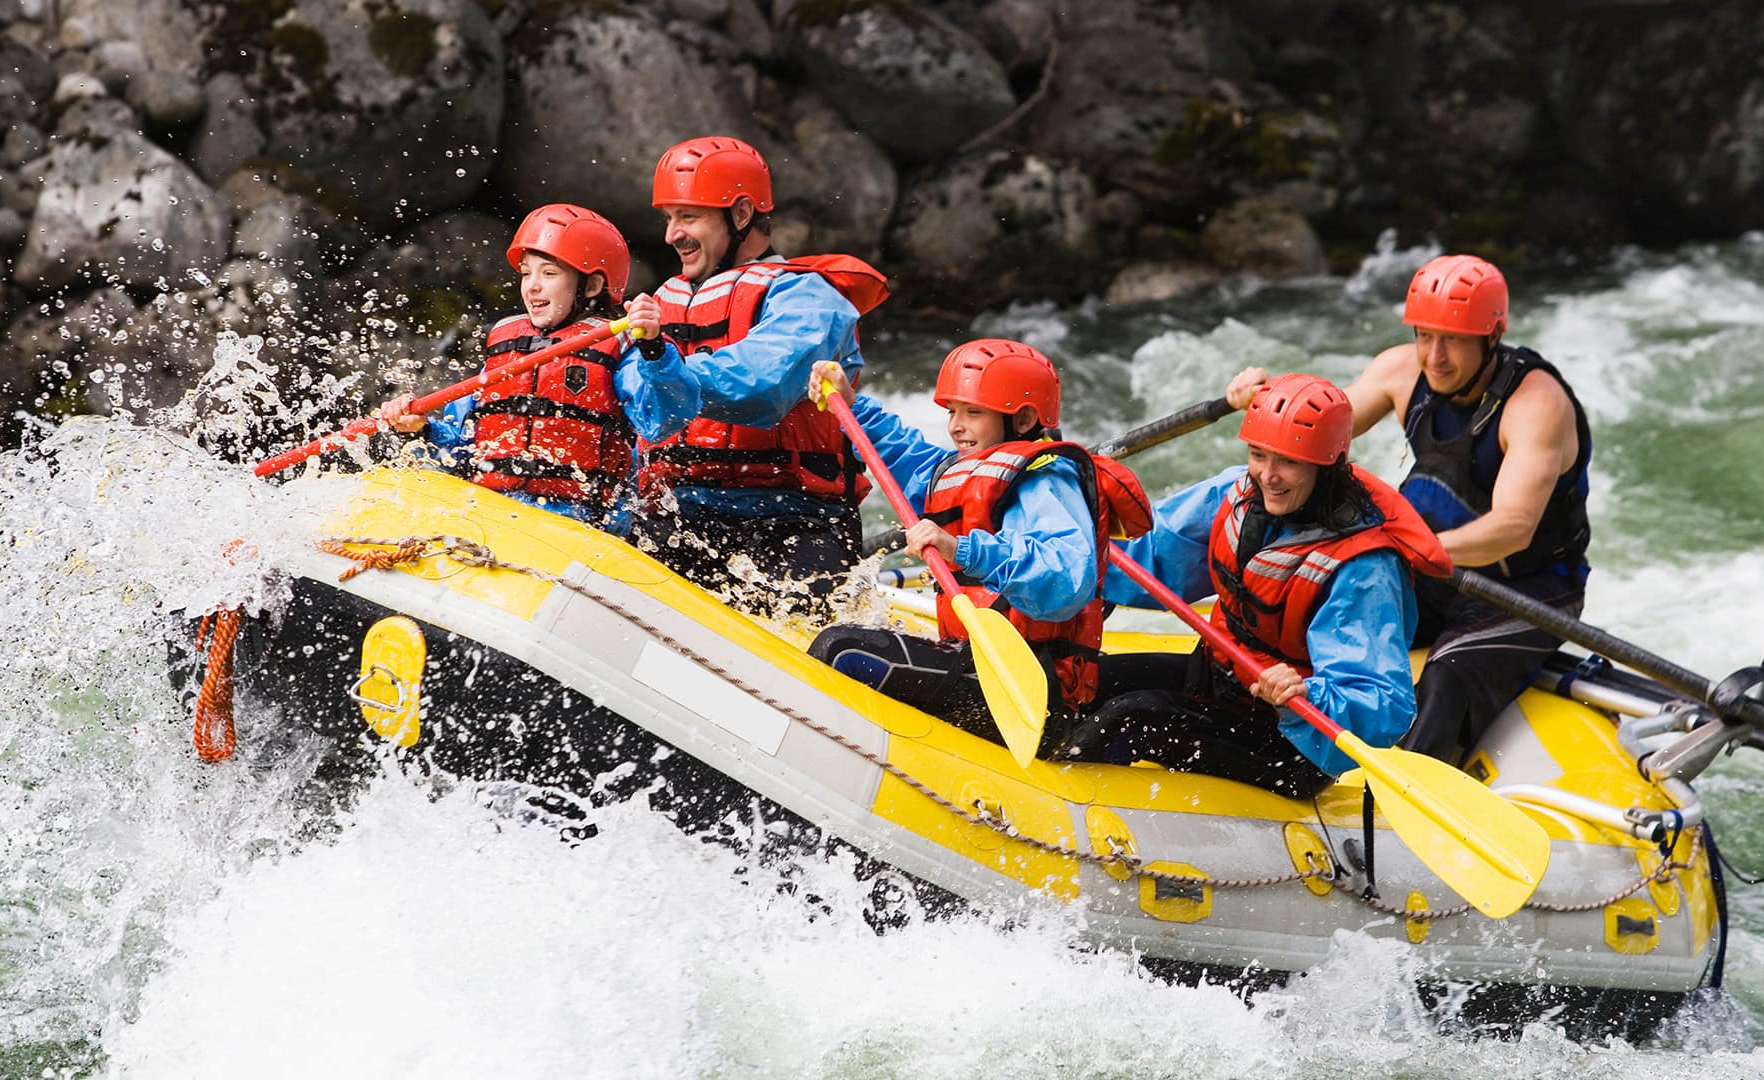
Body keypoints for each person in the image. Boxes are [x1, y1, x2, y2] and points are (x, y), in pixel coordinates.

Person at [1228, 255, 1592, 767]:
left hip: (1524, 588)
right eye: (1425, 335)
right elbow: (1318, 432)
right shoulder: (1401, 369)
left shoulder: (1535, 403)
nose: (1435, 356)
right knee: (1304, 611)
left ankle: (1392, 807)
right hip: (1429, 569)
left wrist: (1400, 547)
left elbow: (1513, 528)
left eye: (1454, 340)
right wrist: (1265, 399)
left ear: (1493, 335)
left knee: (1448, 676)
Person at [1061, 375, 1452, 798]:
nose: (1268, 476)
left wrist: (1304, 693)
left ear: (1327, 463)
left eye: (1288, 461)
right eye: (1258, 454)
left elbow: (1381, 706)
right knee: (1076, 683)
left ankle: (1058, 817)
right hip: (1215, 680)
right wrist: (1065, 545)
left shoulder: (1364, 567)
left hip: (1290, 742)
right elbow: (1149, 555)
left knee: (1131, 718)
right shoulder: (1239, 494)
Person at [803, 339, 1151, 747]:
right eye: (952, 411)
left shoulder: (1045, 482)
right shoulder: (968, 468)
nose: (955, 425)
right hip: (980, 661)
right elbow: (905, 453)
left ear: (1021, 421)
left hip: (1030, 682)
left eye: (973, 412)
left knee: (840, 649)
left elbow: (1066, 579)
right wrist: (850, 403)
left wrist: (961, 549)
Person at [620, 136, 889, 617]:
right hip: (682, 513)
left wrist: (664, 364)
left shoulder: (810, 298)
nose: (671, 235)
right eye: (668, 218)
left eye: (688, 217)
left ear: (741, 215)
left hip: (796, 520)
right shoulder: (658, 304)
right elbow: (642, 413)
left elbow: (763, 388)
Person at [379, 203, 700, 534]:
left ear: (590, 287)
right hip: (489, 513)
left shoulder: (623, 354)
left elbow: (669, 416)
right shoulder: (505, 345)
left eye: (549, 273)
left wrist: (653, 347)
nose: (532, 286)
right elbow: (461, 448)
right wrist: (421, 429)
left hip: (577, 524)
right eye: (526, 273)